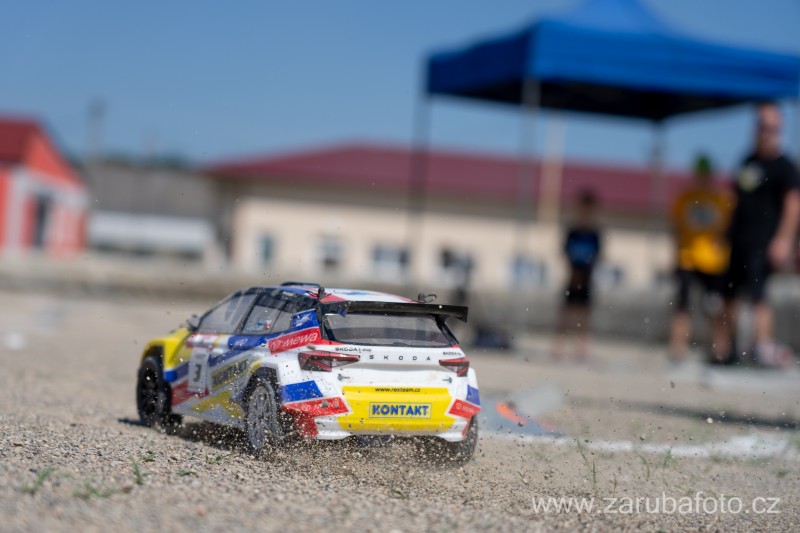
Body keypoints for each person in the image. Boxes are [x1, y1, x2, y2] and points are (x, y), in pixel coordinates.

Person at [716, 102, 800, 367]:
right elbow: (734, 200)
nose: (766, 132)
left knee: (758, 296)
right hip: (738, 241)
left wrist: (784, 240)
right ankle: (728, 351)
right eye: (762, 126)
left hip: (764, 242)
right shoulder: (747, 161)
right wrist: (723, 232)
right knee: (729, 295)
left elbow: (793, 205)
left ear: (779, 130)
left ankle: (760, 350)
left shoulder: (785, 166)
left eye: (771, 127)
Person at [668, 154, 734, 362]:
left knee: (716, 308)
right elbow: (676, 228)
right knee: (682, 306)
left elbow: (729, 229)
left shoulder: (722, 199)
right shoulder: (685, 197)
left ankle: (720, 351)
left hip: (714, 262)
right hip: (687, 259)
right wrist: (675, 254)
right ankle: (678, 349)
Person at [553, 190, 601, 361]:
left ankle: (581, 350)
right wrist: (573, 273)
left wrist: (585, 273)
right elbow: (565, 252)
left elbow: (597, 256)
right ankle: (558, 348)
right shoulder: (573, 231)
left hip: (587, 278)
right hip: (572, 277)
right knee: (565, 314)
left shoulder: (594, 234)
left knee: (584, 315)